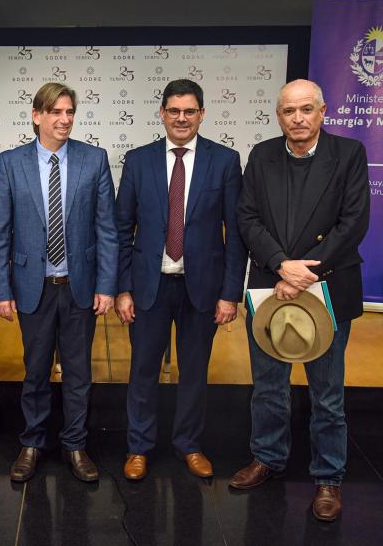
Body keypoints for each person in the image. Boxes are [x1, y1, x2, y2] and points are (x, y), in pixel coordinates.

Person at [232, 79, 370, 522]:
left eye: (306, 109)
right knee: (267, 385)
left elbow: (353, 223)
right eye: (289, 111)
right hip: (269, 286)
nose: (298, 118)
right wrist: (279, 263)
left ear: (323, 111)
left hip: (324, 287)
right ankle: (267, 458)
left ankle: (328, 476)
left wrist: (303, 273)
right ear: (279, 115)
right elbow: (246, 216)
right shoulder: (261, 155)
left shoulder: (348, 155)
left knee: (326, 393)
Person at [115, 78, 247, 481]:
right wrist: (123, 287)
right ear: (162, 114)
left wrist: (229, 294)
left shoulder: (225, 160)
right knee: (142, 371)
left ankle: (189, 445)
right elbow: (122, 229)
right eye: (174, 111)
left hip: (201, 289)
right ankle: (139, 447)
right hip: (149, 288)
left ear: (202, 114)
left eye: (190, 111)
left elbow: (235, 233)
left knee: (194, 372)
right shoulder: (138, 160)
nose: (182, 118)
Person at [0, 82, 117, 483]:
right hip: (33, 287)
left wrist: (107, 285)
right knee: (36, 370)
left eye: (69, 113)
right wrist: (1, 289)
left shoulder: (93, 159)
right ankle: (32, 443)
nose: (64, 120)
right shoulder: (11, 163)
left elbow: (107, 229)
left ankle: (76, 445)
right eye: (56, 112)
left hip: (80, 287)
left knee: (79, 373)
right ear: (37, 115)